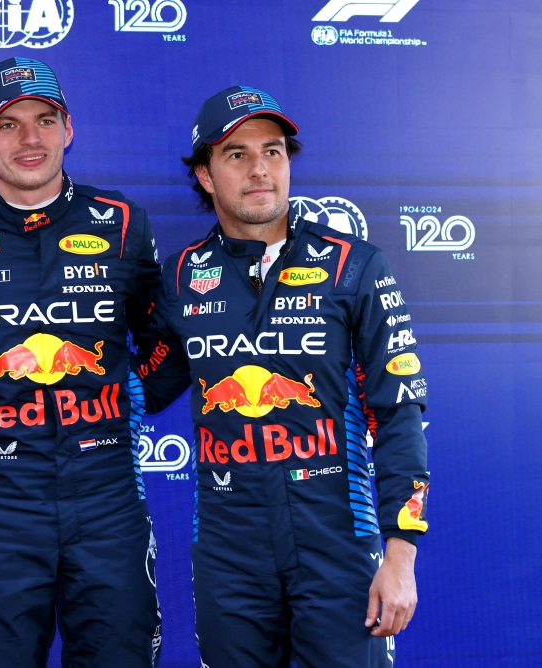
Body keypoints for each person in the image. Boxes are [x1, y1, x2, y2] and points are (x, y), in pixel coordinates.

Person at [134, 86, 429, 667]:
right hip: (227, 548)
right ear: (205, 176)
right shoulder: (178, 279)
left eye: (273, 151)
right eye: (237, 155)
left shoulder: (355, 264)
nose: (260, 170)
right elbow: (146, 386)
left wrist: (400, 554)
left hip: (337, 539)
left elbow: (398, 412)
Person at [0, 58, 162, 667]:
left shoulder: (122, 223)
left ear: (68, 129)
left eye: (45, 120)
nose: (30, 139)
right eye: (8, 125)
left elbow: (170, 341)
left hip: (109, 500)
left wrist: (123, 396)